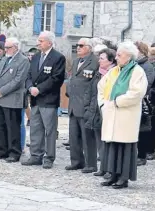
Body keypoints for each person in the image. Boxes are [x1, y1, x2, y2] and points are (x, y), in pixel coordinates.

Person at [97, 41, 148, 189]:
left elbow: (137, 93)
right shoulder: (114, 71)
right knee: (111, 145)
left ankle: (123, 177)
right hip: (111, 112)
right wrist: (103, 104)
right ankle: (112, 174)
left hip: (126, 114)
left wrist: (118, 101)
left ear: (129, 56)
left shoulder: (136, 71)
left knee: (123, 147)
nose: (116, 57)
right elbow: (101, 86)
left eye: (119, 55)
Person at [22, 31, 66, 169]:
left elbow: (56, 78)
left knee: (49, 130)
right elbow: (28, 75)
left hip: (48, 99)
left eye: (41, 41)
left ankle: (49, 157)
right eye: (38, 40)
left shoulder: (58, 58)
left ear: (49, 42)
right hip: (35, 99)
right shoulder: (35, 57)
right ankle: (35, 155)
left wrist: (39, 89)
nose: (38, 43)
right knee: (35, 129)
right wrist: (30, 88)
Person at [65, 38, 100, 172]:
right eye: (77, 45)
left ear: (89, 48)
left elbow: (93, 84)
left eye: (81, 45)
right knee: (74, 136)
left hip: (85, 104)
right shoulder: (75, 62)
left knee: (87, 137)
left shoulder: (95, 62)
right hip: (73, 104)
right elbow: (72, 79)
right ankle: (76, 161)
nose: (78, 47)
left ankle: (90, 164)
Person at [0, 37, 29, 163]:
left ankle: (14, 152)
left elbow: (18, 80)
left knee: (13, 127)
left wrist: (2, 91)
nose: (6, 50)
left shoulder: (23, 60)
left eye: (8, 47)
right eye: (5, 47)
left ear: (16, 47)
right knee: (0, 126)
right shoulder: (4, 59)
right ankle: (3, 150)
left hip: (12, 99)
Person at [86, 48, 116, 177]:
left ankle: (111, 169)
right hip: (96, 110)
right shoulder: (98, 74)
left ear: (110, 61)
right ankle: (103, 167)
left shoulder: (114, 74)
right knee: (100, 141)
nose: (99, 60)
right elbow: (92, 93)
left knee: (109, 142)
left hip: (108, 110)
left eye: (102, 58)